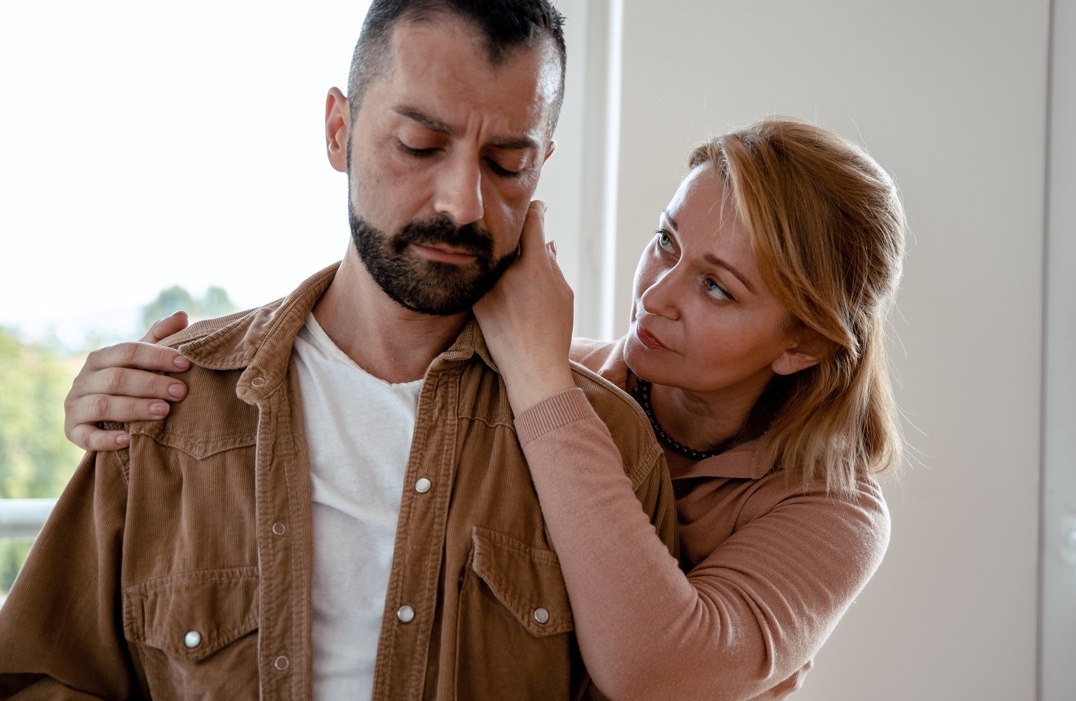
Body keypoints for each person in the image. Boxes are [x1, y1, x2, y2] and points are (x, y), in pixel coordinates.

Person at [0, 0, 677, 700]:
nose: (461, 203)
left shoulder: (609, 449)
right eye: (419, 145)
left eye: (506, 163)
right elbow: (41, 677)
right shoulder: (165, 404)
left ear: (542, 167)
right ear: (337, 130)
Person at [59, 116, 908, 699]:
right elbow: (360, 337)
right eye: (665, 243)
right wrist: (170, 378)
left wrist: (543, 384)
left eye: (717, 288)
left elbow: (656, 674)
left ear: (802, 346)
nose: (657, 295)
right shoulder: (546, 388)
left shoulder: (831, 510)